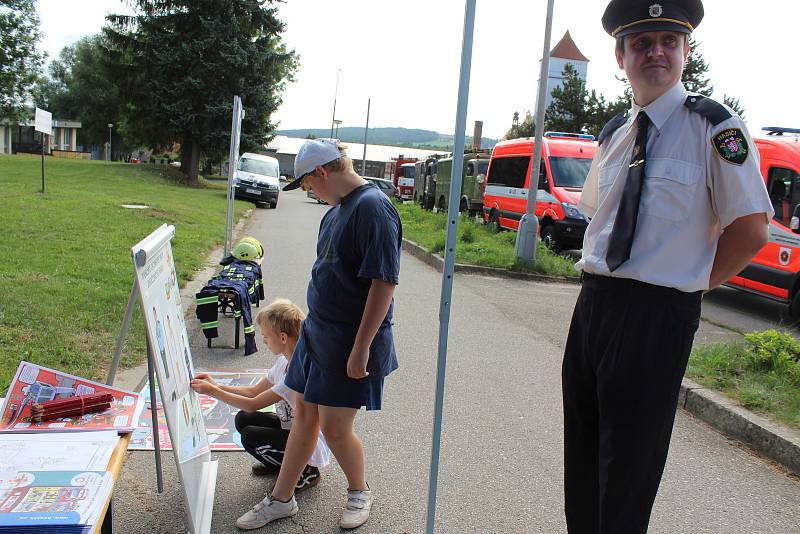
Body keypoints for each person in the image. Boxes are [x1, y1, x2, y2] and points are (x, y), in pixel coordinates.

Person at [563, 1, 773, 532]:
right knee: (583, 455)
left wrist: (692, 288)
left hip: (658, 312)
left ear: (685, 50)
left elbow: (750, 231)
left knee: (629, 467)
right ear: (620, 55)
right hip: (595, 304)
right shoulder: (613, 134)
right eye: (641, 43)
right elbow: (600, 220)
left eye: (667, 41)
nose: (655, 52)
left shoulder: (715, 127)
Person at [235, 138, 402, 530]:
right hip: (318, 334)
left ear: (322, 171)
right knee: (304, 416)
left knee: (335, 427)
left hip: (350, 341)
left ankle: (359, 492)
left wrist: (361, 348)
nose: (309, 191)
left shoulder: (374, 209)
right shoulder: (337, 210)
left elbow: (384, 283)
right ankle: (281, 499)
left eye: (308, 183)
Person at [190, 299, 332, 517]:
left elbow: (252, 402)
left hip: (309, 443)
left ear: (282, 337)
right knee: (243, 419)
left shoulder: (295, 373)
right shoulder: (283, 361)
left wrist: (211, 391)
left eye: (266, 336)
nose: (264, 341)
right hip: (290, 428)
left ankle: (306, 471)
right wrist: (216, 384)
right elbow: (253, 392)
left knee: (250, 435)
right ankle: (282, 465)